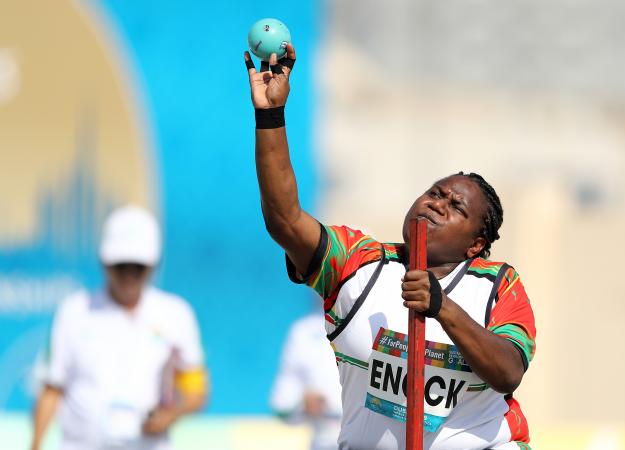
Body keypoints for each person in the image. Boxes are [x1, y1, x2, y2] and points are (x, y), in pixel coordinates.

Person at [244, 46, 536, 449]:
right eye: (435, 193)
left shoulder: (497, 284)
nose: (437, 203)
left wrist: (442, 308)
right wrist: (270, 116)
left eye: (455, 208)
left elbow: (508, 371)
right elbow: (286, 220)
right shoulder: (358, 260)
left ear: (476, 244)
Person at [30, 206, 208, 450]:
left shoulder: (176, 314)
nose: (129, 275)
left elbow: (196, 390)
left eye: (138, 267)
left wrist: (170, 414)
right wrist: (36, 444)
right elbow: (52, 387)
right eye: (120, 266)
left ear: (153, 265)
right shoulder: (74, 311)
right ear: (104, 263)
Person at [270, 311, 343, 450]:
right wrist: (303, 403)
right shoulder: (303, 331)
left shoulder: (388, 323)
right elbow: (281, 406)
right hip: (324, 442)